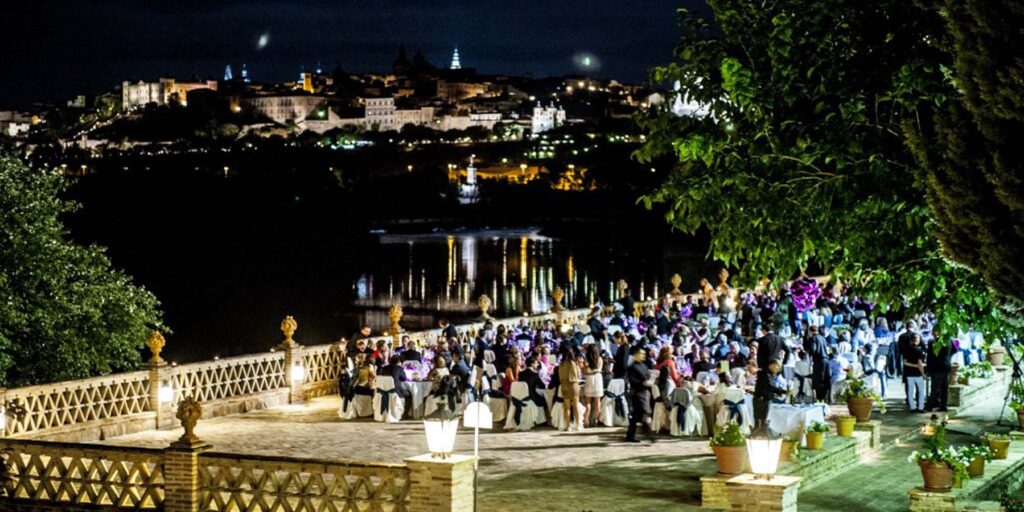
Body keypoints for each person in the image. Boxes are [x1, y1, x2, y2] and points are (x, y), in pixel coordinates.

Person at [625, 344, 654, 442]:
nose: (643, 356)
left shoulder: (643, 365)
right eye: (641, 354)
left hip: (644, 392)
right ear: (636, 354)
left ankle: (630, 435)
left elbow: (647, 375)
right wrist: (644, 381)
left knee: (636, 416)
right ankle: (649, 434)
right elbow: (642, 378)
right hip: (637, 393)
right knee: (642, 413)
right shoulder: (633, 367)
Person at [558, 344, 582, 431]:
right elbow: (578, 375)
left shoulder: (561, 364)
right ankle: (578, 425)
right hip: (573, 385)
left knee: (567, 407)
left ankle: (568, 426)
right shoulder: (573, 363)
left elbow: (560, 376)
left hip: (564, 385)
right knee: (575, 406)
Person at [925, 337, 953, 412]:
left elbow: (930, 356)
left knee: (935, 388)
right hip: (946, 366)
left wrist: (928, 368)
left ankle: (930, 405)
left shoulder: (933, 342)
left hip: (936, 367)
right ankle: (943, 405)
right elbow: (954, 350)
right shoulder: (949, 340)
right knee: (944, 388)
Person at [903, 333, 927, 412]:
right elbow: (920, 363)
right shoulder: (919, 350)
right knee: (920, 391)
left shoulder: (906, 350)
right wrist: (923, 373)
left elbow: (905, 362)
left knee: (910, 391)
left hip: (909, 374)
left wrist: (913, 365)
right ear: (918, 340)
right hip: (918, 374)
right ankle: (920, 407)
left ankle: (912, 407)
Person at [583, 344, 604, 427]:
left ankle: (586, 420)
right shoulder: (600, 359)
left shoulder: (586, 360)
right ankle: (595, 419)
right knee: (597, 401)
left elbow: (585, 371)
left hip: (589, 378)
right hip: (598, 378)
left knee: (587, 402)